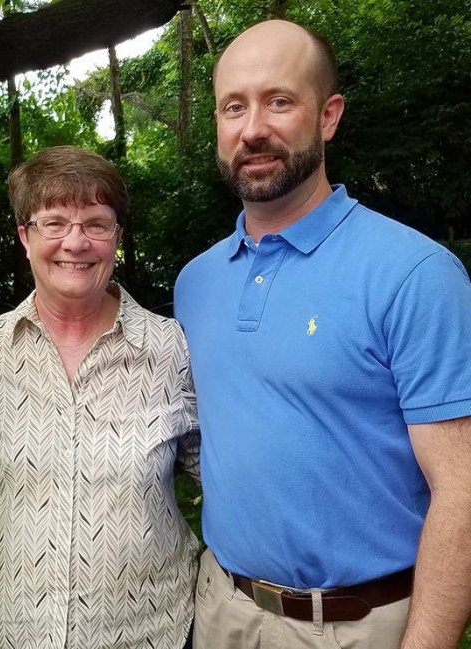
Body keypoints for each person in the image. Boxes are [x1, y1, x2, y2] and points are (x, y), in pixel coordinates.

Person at [174, 19, 471, 649]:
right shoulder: (195, 283)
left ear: (328, 115)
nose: (253, 128)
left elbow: (464, 490)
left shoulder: (415, 275)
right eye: (234, 107)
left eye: (279, 101)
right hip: (220, 607)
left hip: (360, 627)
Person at [0, 146, 200, 649]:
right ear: (24, 237)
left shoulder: (171, 348)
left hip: (151, 633)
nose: (75, 243)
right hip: (6, 633)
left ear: (117, 238)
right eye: (53, 222)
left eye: (96, 223)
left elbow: (227, 478)